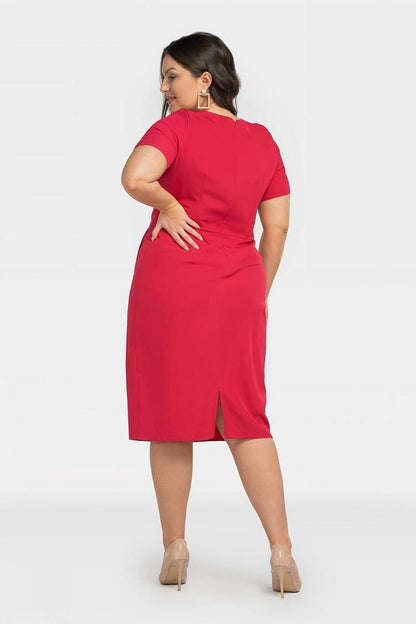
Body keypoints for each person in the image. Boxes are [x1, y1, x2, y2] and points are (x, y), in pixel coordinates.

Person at [121, 32, 302, 597]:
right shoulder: (262, 140)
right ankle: (282, 554)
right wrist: (255, 289)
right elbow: (277, 226)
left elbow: (135, 177)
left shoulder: (175, 128)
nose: (163, 87)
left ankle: (175, 548)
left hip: (173, 281)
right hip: (239, 282)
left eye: (171, 75)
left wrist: (169, 203)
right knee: (247, 415)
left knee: (169, 415)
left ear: (205, 80)